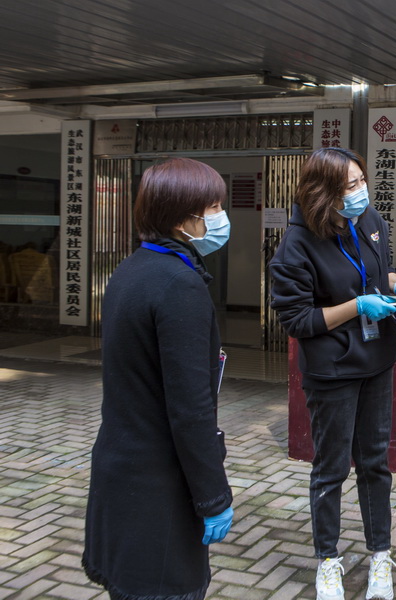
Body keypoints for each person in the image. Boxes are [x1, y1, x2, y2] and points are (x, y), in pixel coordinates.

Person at [269, 147, 396, 600]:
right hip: (332, 369)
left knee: (375, 462)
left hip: (377, 361)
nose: (359, 193)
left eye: (360, 181)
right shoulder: (296, 244)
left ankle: (379, 557)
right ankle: (328, 561)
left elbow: (379, 270)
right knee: (331, 467)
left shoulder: (372, 221)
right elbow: (297, 321)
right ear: (322, 193)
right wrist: (356, 307)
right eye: (348, 187)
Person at [83, 158, 234, 600]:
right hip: (157, 492)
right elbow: (190, 410)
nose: (220, 217)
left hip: (120, 474)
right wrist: (213, 498)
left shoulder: (131, 270)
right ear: (184, 217)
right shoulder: (178, 285)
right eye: (213, 206)